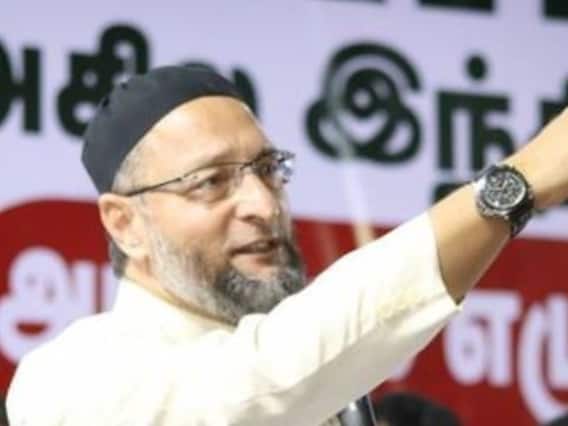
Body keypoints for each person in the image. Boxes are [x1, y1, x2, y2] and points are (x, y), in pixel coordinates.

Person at [5, 65, 568, 425]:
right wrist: (517, 184)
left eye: (268, 169)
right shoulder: (71, 380)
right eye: (211, 182)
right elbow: (264, 378)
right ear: (125, 223)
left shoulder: (333, 397)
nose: (263, 203)